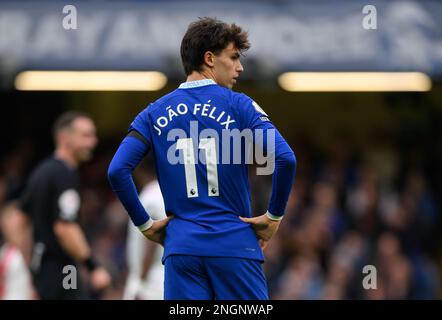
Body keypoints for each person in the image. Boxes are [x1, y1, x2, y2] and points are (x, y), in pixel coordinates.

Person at [108, 17, 296, 300]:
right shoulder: (239, 105)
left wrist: (145, 225)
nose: (240, 67)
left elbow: (117, 170)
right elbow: (285, 158)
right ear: (209, 58)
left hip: (181, 250)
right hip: (234, 247)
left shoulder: (152, 113)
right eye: (233, 57)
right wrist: (274, 217)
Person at [15, 111, 111, 300]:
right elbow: (65, 227)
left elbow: (17, 219)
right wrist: (93, 267)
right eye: (86, 136)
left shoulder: (42, 171)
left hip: (45, 269)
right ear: (64, 137)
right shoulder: (64, 175)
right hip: (64, 268)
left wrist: (31, 264)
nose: (93, 142)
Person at [123, 177, 166, 300]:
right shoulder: (172, 189)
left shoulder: (152, 193)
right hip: (166, 275)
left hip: (151, 281)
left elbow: (151, 238)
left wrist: (141, 283)